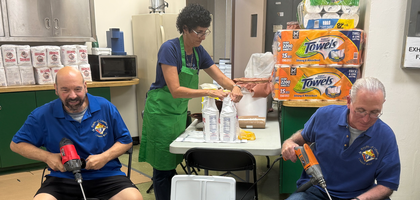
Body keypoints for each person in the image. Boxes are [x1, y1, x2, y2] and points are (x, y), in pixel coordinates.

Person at [138, 3, 243, 200]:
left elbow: (219, 77)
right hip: (160, 114)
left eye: (206, 32)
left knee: (176, 160)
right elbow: (176, 90)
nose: (203, 37)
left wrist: (234, 86)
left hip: (178, 114)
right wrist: (210, 94)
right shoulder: (169, 49)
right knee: (163, 168)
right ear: (185, 29)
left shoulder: (198, 52)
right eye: (199, 32)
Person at [10, 66, 143, 200]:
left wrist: (104, 157)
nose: (72, 95)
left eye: (77, 89)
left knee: (133, 198)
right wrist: (47, 157)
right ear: (56, 89)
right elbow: (16, 144)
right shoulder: (43, 114)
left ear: (85, 86)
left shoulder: (105, 107)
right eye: (65, 90)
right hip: (62, 178)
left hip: (106, 174)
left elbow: (126, 141)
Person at [281, 77, 400, 200]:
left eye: (375, 112)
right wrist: (288, 143)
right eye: (360, 110)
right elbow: (300, 138)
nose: (366, 119)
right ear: (349, 101)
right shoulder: (324, 115)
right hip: (317, 191)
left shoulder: (386, 136)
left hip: (360, 195)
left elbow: (387, 184)